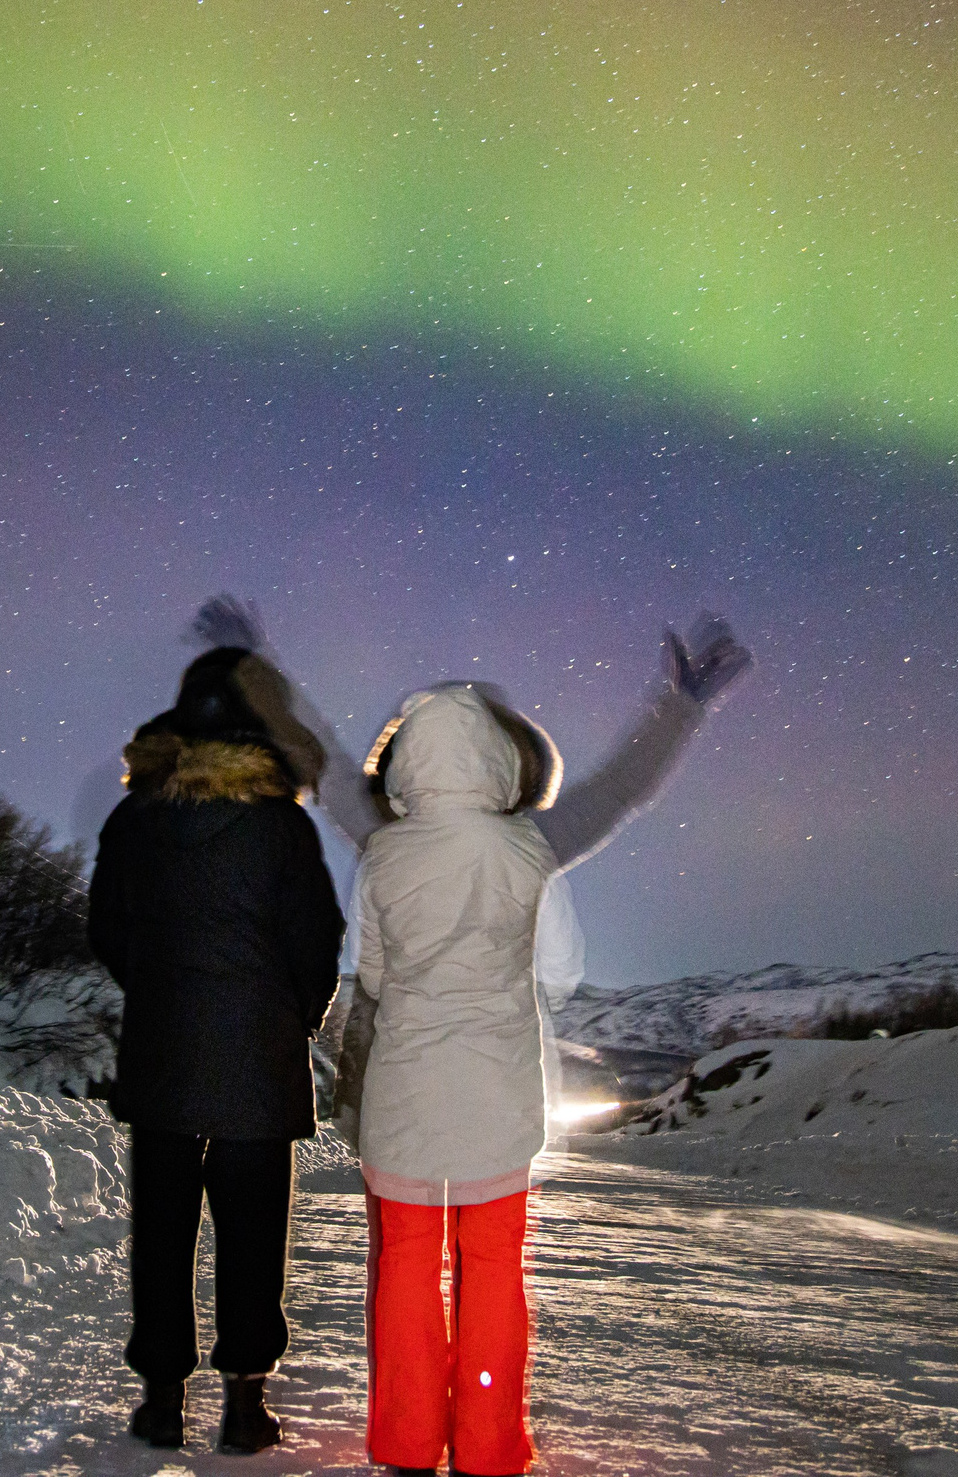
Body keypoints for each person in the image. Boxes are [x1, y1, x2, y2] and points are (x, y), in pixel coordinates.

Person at [188, 599, 749, 1475]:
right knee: (493, 1276)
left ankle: (409, 1445)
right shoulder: (531, 845)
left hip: (404, 1104)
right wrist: (678, 707)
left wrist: (253, 662)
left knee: (404, 1273)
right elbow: (617, 792)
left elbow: (326, 760)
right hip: (497, 1106)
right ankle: (489, 1450)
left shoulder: (382, 845)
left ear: (407, 760)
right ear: (507, 759)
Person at [87, 644, 348, 1455]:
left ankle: (161, 1400)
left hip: (163, 1050)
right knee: (252, 1230)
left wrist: (159, 991)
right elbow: (317, 940)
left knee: (161, 1226)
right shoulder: (282, 825)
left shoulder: (133, 819)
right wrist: (293, 1018)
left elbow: (108, 930)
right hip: (259, 1060)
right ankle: (245, 1402)